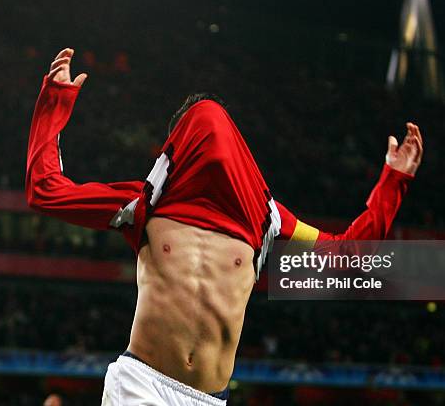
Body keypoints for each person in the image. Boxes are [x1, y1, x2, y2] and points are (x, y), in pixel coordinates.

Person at [26, 48, 423, 405]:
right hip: (140, 386)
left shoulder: (269, 219)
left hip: (209, 400)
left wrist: (393, 181)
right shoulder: (144, 203)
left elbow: (347, 256)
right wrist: (54, 102)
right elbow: (46, 191)